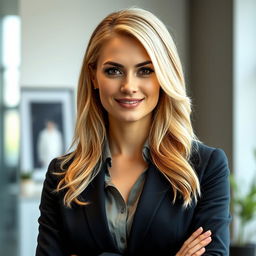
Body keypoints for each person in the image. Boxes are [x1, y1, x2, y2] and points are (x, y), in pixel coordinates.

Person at [36, 8, 231, 256]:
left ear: (163, 76)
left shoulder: (206, 168)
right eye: (113, 71)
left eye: (145, 70)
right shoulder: (61, 176)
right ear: (94, 77)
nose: (129, 86)